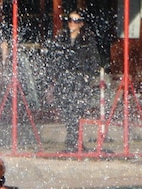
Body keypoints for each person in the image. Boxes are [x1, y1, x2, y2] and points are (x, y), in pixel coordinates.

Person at [46, 10, 101, 152]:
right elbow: (55, 58)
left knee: (77, 110)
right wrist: (54, 77)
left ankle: (74, 140)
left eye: (76, 21)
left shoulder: (87, 39)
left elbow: (94, 60)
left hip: (79, 79)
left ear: (81, 24)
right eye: (70, 20)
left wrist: (87, 76)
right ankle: (73, 139)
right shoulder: (61, 38)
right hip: (64, 79)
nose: (72, 23)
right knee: (66, 110)